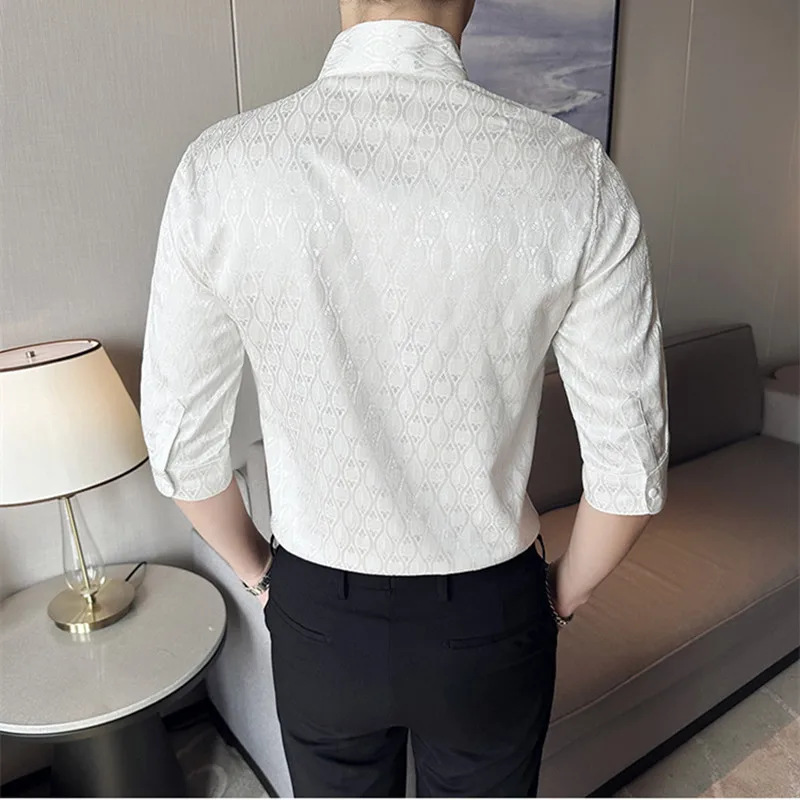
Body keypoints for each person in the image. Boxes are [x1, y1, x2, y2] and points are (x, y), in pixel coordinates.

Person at [140, 0, 669, 795]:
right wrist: (557, 599)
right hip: (490, 613)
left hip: (318, 610)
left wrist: (263, 579)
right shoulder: (573, 174)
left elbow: (183, 453)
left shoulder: (221, 169)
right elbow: (630, 475)